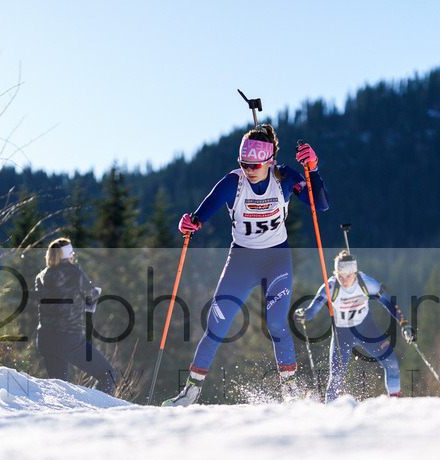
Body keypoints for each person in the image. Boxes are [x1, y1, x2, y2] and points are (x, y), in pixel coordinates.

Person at [163, 124, 330, 406]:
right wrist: (189, 224)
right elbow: (199, 216)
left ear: (269, 161)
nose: (249, 169)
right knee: (217, 324)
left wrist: (312, 170)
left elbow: (321, 204)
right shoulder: (233, 182)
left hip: (276, 259)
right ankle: (190, 393)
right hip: (241, 259)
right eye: (244, 163)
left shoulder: (286, 176)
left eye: (254, 164)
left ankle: (290, 392)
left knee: (277, 324)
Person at [295, 250, 414, 402]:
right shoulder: (330, 287)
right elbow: (312, 310)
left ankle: (395, 404)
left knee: (392, 365)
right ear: (335, 274)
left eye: (349, 276)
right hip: (342, 334)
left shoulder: (366, 283)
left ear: (356, 273)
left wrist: (404, 324)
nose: (344, 281)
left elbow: (388, 303)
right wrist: (304, 314)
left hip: (366, 329)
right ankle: (330, 412)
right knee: (336, 377)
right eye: (341, 276)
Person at [34, 238, 116, 395]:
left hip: (44, 338)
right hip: (68, 337)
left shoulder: (41, 277)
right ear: (69, 256)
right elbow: (91, 297)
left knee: (59, 389)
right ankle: (94, 412)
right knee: (107, 375)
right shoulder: (74, 273)